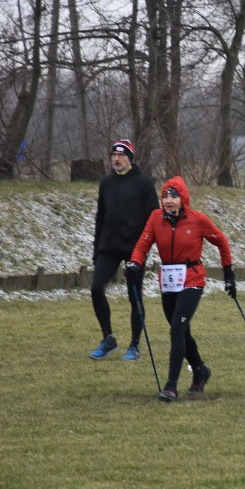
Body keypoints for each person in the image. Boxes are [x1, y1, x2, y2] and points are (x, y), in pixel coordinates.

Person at [125, 175, 237, 402]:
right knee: (182, 331)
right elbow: (143, 244)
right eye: (165, 195)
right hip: (168, 279)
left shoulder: (197, 219)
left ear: (182, 199)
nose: (168, 200)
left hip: (192, 279)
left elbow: (221, 241)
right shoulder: (156, 218)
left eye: (173, 196)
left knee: (177, 328)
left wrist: (228, 272)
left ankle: (171, 386)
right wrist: (135, 262)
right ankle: (199, 370)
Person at [89, 139, 159, 361]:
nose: (116, 159)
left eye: (121, 155)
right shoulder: (106, 183)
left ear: (130, 158)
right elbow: (100, 216)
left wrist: (143, 250)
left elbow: (154, 220)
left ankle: (135, 345)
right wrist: (96, 247)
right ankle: (108, 338)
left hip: (134, 250)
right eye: (113, 155)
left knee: (134, 296)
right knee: (96, 289)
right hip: (108, 248)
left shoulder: (144, 184)